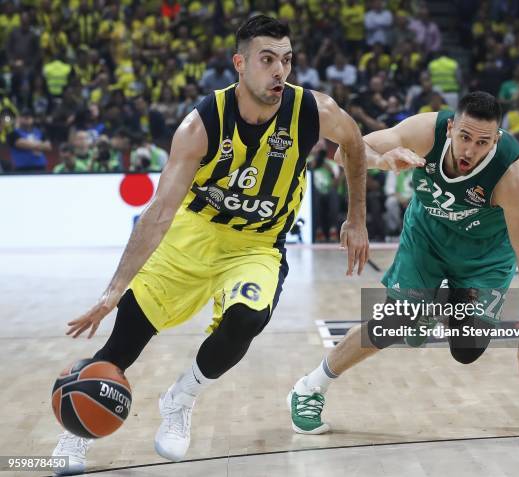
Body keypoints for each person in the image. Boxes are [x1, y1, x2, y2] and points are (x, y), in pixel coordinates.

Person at [51, 15, 369, 474]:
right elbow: (158, 212)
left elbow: (355, 143)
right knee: (128, 336)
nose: (279, 70)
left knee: (247, 320)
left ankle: (181, 398)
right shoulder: (201, 124)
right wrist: (113, 289)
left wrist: (355, 218)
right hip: (192, 236)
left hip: (258, 244)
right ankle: (74, 433)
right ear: (240, 64)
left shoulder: (313, 111)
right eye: (267, 60)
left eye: (287, 60)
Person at [288, 91, 519, 435]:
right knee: (396, 321)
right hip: (428, 237)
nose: (471, 150)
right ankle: (310, 386)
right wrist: (382, 161)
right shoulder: (424, 131)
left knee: (467, 349)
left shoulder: (510, 176)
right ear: (450, 130)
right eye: (464, 137)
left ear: (497, 139)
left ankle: (427, 304)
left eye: (483, 142)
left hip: (485, 255)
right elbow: (344, 151)